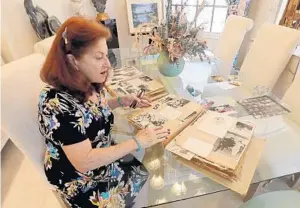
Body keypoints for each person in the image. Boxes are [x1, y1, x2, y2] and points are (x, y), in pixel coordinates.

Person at [38, 16, 170, 208]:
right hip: (80, 180)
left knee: (143, 170)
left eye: (106, 55)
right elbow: (84, 161)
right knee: (140, 171)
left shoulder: (87, 79)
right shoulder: (56, 103)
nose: (107, 64)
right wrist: (136, 142)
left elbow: (90, 112)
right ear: (72, 61)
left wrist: (120, 101)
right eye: (99, 57)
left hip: (101, 154)